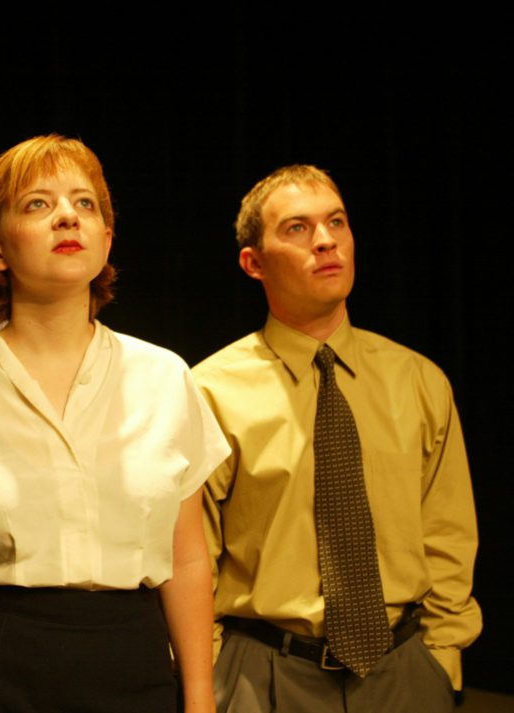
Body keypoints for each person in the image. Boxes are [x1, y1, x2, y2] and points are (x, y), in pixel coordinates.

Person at [0, 136, 230, 713]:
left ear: (107, 238)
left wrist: (200, 698)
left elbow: (186, 557)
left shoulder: (163, 377)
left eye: (85, 204)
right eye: (38, 204)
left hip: (130, 656)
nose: (66, 217)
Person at [192, 165, 481, 713]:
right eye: (297, 228)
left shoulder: (418, 381)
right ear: (254, 263)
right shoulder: (209, 392)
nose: (325, 241)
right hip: (264, 676)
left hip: (404, 672)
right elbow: (192, 560)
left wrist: (442, 662)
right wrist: (208, 677)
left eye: (336, 222)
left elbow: (449, 535)